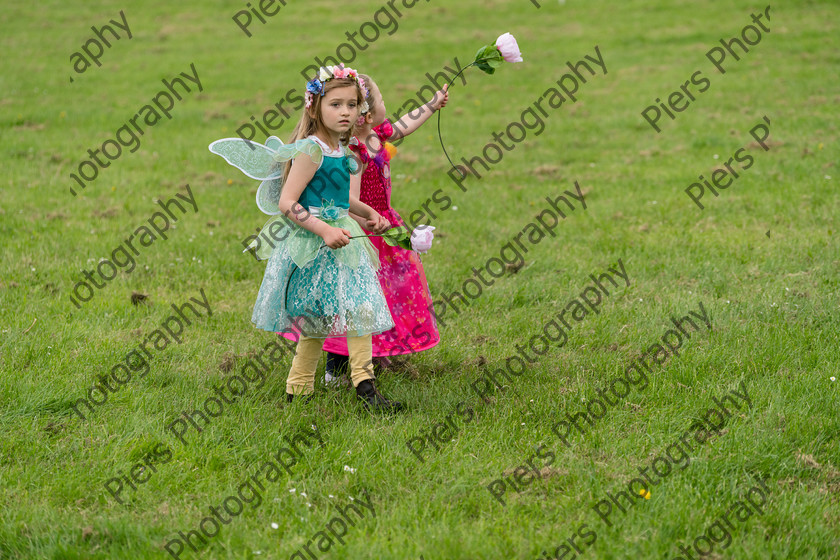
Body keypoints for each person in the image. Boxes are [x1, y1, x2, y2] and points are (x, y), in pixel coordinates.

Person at [209, 65, 403, 411]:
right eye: (336, 104)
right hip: (314, 243)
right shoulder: (310, 151)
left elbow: (341, 198)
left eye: (352, 105)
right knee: (315, 318)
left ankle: (366, 386)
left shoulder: (344, 150)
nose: (345, 112)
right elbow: (288, 202)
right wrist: (324, 230)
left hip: (344, 237)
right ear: (315, 107)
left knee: (359, 307)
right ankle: (298, 389)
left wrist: (367, 213)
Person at [321, 74, 448, 383]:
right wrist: (368, 222)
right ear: (364, 113)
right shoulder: (354, 152)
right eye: (381, 102)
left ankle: (379, 350)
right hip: (365, 231)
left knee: (391, 292)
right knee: (354, 297)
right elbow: (348, 198)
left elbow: (405, 124)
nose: (387, 107)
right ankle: (335, 366)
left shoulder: (376, 135)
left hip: (385, 226)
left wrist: (432, 105)